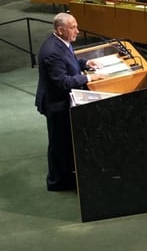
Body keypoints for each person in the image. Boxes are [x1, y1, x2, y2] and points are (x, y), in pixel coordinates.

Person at [35, 13, 105, 191]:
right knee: (59, 143)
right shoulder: (52, 51)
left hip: (61, 101)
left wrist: (86, 63)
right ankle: (57, 182)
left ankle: (66, 175)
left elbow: (71, 61)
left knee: (65, 141)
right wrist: (89, 77)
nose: (78, 31)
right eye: (73, 28)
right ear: (60, 30)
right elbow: (62, 82)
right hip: (56, 104)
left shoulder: (61, 43)